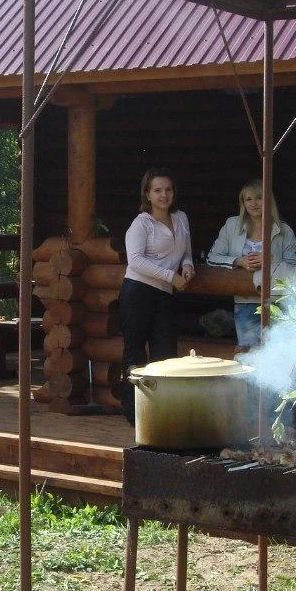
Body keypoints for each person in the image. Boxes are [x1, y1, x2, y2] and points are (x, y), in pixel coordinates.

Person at [119, 168, 195, 423]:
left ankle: (162, 411)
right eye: (158, 190)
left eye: (168, 189)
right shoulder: (141, 223)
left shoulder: (181, 218)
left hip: (164, 295)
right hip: (138, 292)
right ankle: (134, 412)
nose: (164, 195)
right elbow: (136, 261)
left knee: (165, 353)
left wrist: (187, 266)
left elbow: (186, 251)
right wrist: (171, 277)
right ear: (148, 195)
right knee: (135, 353)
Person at [207, 181, 296, 350]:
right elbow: (212, 258)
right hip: (245, 301)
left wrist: (271, 259)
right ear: (243, 203)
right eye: (248, 199)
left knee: (278, 353)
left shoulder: (284, 230)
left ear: (268, 200)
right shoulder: (231, 225)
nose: (254, 203)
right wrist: (238, 261)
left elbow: (294, 269)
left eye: (259, 198)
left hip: (277, 302)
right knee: (247, 354)